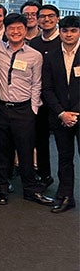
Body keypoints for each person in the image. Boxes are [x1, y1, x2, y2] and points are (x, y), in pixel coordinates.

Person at [0, 13, 53, 207]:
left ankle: (30, 190)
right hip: (0, 108)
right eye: (11, 29)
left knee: (25, 151)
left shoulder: (35, 55)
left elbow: (37, 84)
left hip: (24, 110)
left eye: (19, 29)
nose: (15, 32)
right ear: (5, 30)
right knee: (0, 152)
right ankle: (1, 188)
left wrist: (33, 109)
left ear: (26, 31)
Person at [42, 15, 80, 213]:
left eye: (73, 31)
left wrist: (75, 112)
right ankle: (66, 196)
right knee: (65, 158)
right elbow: (46, 89)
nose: (69, 34)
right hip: (60, 116)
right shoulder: (52, 55)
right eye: (65, 31)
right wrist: (62, 113)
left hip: (79, 114)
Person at [29, 4, 61, 188]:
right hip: (40, 100)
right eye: (42, 16)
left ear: (57, 18)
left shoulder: (64, 41)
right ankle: (44, 176)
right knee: (40, 141)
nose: (46, 20)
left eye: (50, 16)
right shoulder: (34, 43)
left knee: (64, 146)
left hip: (60, 101)